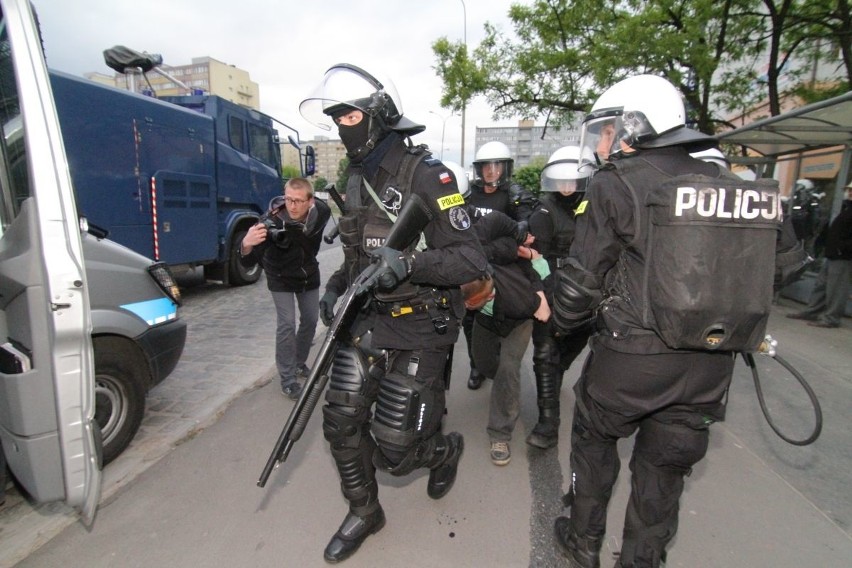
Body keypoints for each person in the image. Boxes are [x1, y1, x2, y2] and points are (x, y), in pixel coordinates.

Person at [548, 74, 808, 568]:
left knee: (594, 441)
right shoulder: (737, 185)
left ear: (632, 126)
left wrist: (562, 323)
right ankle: (642, 560)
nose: (601, 143)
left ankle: (583, 542)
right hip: (709, 364)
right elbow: (785, 268)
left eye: (605, 130)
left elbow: (582, 281)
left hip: (630, 360)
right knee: (666, 467)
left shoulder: (616, 182)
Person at [298, 63, 489, 563]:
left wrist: (410, 263)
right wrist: (336, 287)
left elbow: (471, 258)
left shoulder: (429, 174)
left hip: (422, 324)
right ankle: (364, 510)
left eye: (351, 115)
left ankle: (442, 451)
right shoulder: (356, 177)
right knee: (340, 421)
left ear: (379, 114)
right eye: (336, 117)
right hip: (365, 321)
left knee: (396, 447)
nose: (343, 125)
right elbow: (358, 254)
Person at [465, 209, 551, 465]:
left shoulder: (520, 298)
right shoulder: (469, 267)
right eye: (474, 302)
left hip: (518, 320)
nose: (485, 300)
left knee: (508, 367)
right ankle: (504, 387)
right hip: (486, 321)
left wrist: (534, 257)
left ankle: (500, 433)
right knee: (483, 364)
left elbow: (540, 280)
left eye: (487, 296)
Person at [525, 145, 595, 450]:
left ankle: (557, 372)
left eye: (573, 180)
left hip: (589, 291)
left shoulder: (600, 206)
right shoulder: (543, 210)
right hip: (552, 286)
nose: (567, 187)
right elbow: (532, 255)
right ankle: (548, 423)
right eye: (561, 180)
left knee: (570, 350)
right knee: (544, 354)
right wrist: (539, 294)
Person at [240, 178, 331, 400]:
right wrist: (246, 244)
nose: (292, 205)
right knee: (287, 324)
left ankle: (299, 363)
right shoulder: (270, 219)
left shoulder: (321, 211)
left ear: (310, 201)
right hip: (279, 275)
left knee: (310, 320)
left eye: (298, 201)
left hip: (307, 272)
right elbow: (247, 260)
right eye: (289, 199)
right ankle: (288, 379)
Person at [464, 140, 539, 390]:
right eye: (486, 166)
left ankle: (501, 365)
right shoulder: (470, 193)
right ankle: (477, 364)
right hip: (474, 263)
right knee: (470, 317)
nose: (491, 171)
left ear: (506, 168)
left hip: (506, 264)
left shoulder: (514, 195)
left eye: (497, 165)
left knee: (501, 312)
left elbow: (525, 228)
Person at [786, 181, 852, 328]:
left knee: (836, 289)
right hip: (833, 253)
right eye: (849, 190)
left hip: (842, 256)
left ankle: (831, 318)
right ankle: (812, 311)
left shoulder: (848, 209)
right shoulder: (846, 207)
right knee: (821, 285)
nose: (850, 193)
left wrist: (842, 248)